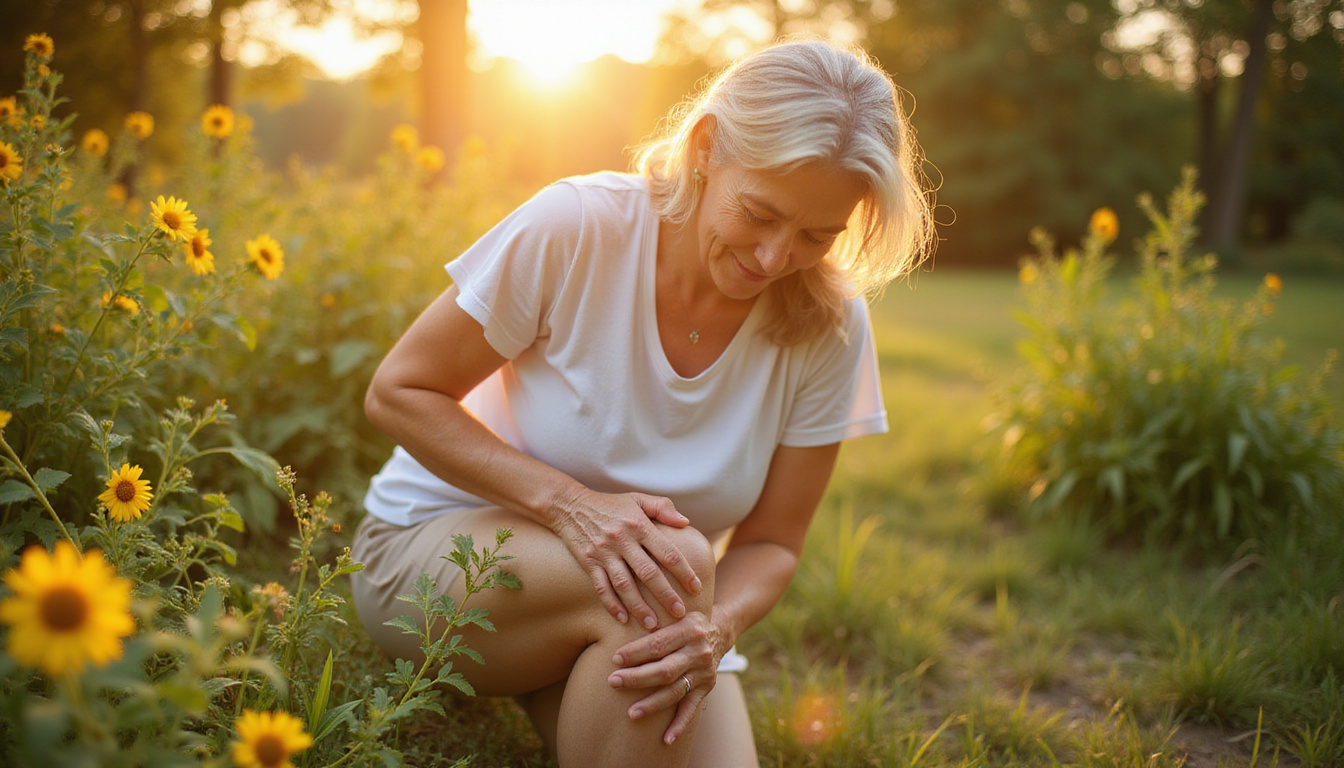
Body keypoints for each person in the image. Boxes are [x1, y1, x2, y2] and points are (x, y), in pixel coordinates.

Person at [350, 37, 934, 768]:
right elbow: (400, 392)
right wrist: (571, 507)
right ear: (706, 148)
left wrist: (715, 631)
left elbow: (772, 543)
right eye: (759, 214)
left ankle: (585, 664)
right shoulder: (577, 227)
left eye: (817, 235)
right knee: (673, 569)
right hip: (434, 559)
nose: (773, 257)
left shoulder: (830, 324)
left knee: (665, 596)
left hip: (652, 601)